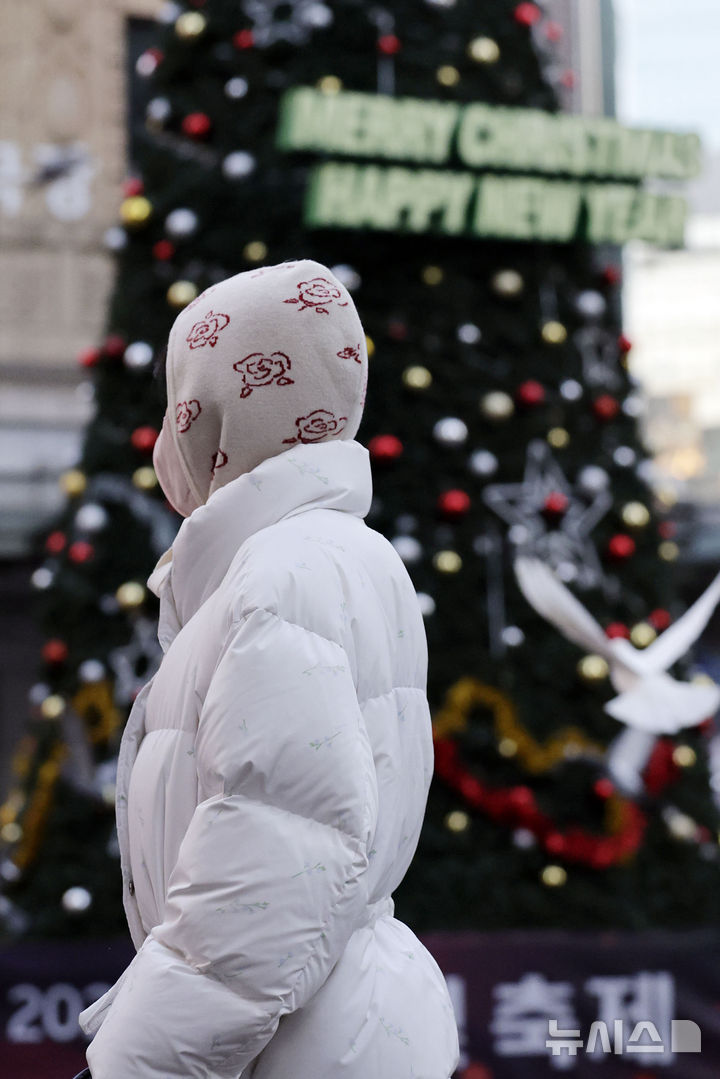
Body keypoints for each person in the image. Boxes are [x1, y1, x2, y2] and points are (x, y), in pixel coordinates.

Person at [79, 260, 459, 1078]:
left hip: (295, 1042)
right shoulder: (326, 555)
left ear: (211, 415)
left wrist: (135, 1062)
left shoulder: (281, 573)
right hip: (325, 1025)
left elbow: (274, 856)